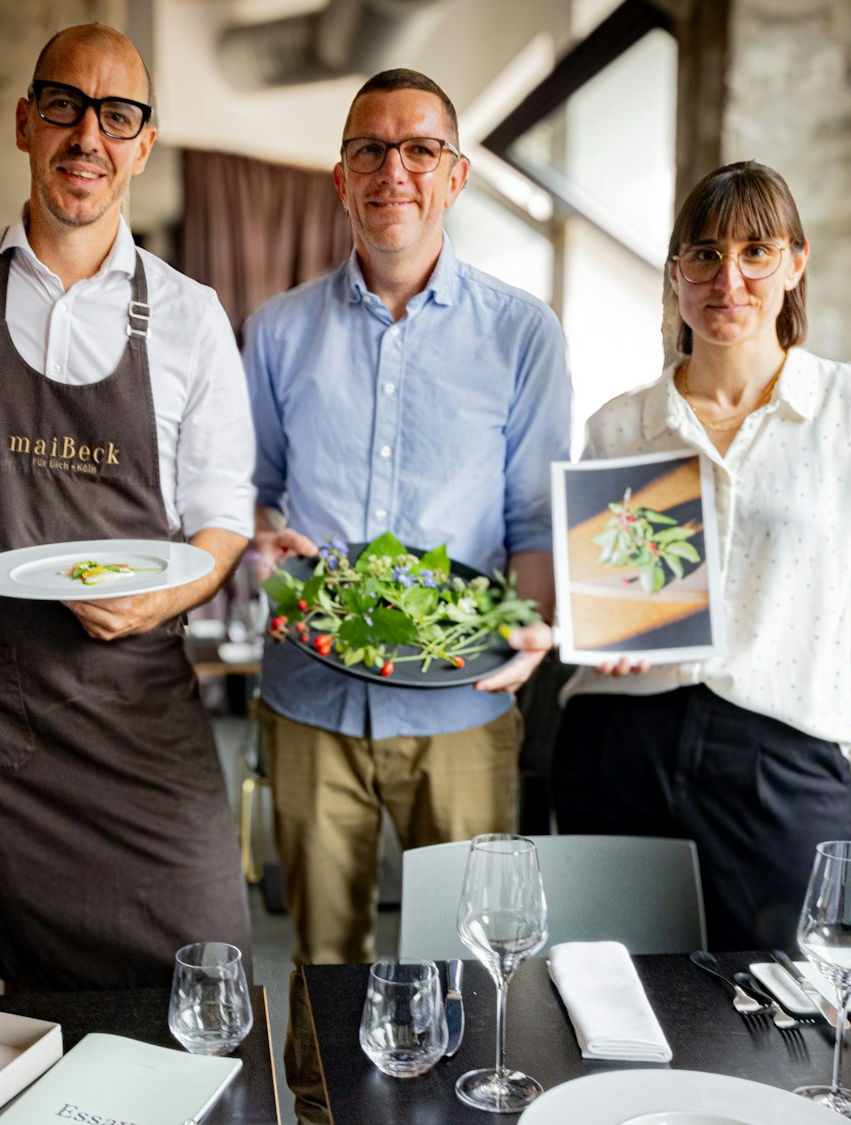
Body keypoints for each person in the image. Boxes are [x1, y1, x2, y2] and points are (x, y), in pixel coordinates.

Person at [0, 23, 254, 991]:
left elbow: (222, 510)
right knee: (11, 997)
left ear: (141, 144)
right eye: (64, 105)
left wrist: (166, 598)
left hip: (133, 702)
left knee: (204, 957)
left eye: (116, 115)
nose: (87, 135)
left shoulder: (188, 314)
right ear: (24, 123)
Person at [553, 160, 851, 951]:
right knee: (608, 999)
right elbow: (617, 596)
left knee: (799, 1004)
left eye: (756, 252)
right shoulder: (621, 424)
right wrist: (601, 624)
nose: (729, 279)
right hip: (619, 744)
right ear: (677, 273)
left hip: (782, 754)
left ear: (795, 263)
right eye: (705, 254)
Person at [243, 69, 568, 967]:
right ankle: (322, 1115)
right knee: (322, 962)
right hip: (310, 702)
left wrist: (533, 627)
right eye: (370, 150)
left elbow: (535, 515)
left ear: (455, 175)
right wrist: (263, 543)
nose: (396, 170)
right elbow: (254, 491)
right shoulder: (275, 330)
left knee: (471, 958)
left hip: (463, 704)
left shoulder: (522, 332)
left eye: (421, 148)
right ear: (340, 177)